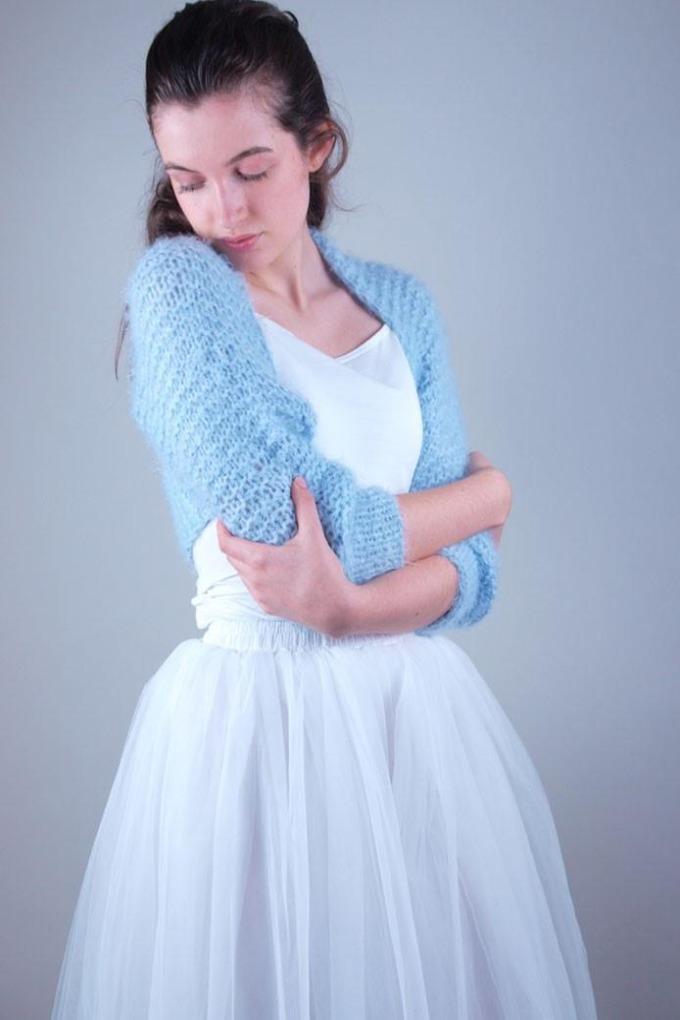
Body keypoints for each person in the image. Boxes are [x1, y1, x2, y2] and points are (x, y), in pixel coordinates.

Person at [51, 2, 599, 1017]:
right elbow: (309, 532)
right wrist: (485, 495)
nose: (220, 208)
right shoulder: (178, 294)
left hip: (414, 727)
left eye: (250, 167)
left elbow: (475, 575)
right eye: (187, 179)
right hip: (256, 730)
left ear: (316, 146)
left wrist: (351, 608)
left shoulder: (403, 307)